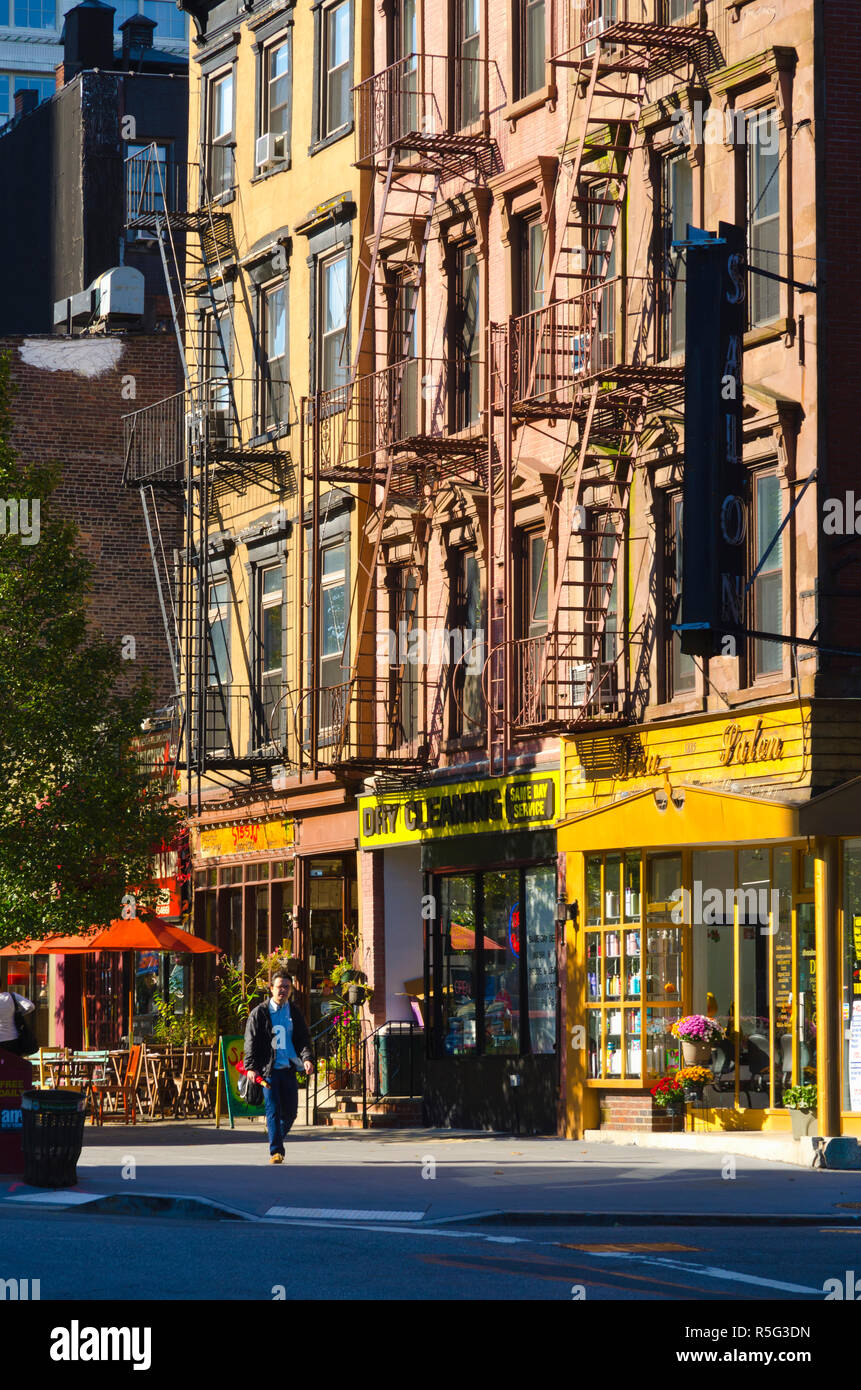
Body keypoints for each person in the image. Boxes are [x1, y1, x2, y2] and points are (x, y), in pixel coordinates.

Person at [244, 970, 314, 1164]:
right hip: (268, 1071)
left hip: (289, 1069)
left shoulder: (294, 1011)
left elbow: (302, 1039)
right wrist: (251, 1067)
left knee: (291, 1113)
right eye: (279, 987)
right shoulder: (260, 1012)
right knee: (273, 1110)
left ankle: (276, 1139)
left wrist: (307, 1058)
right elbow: (251, 1041)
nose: (283, 990)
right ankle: (276, 1151)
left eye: (286, 987)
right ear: (271, 989)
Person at [0, 985, 36, 1055]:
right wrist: (17, 1014)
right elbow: (30, 1006)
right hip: (13, 1040)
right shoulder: (11, 996)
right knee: (14, 1064)